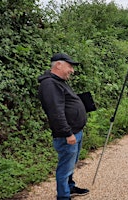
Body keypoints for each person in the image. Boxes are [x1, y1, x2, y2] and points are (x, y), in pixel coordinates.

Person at [38, 53, 89, 200]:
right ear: (58, 65)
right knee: (65, 168)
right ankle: (63, 196)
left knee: (70, 165)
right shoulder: (49, 84)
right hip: (67, 135)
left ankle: (70, 187)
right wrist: (68, 133)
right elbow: (55, 113)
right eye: (70, 66)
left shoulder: (59, 82)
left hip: (75, 132)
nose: (72, 70)